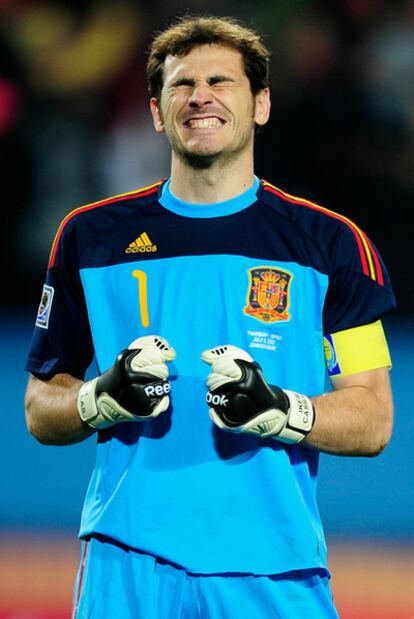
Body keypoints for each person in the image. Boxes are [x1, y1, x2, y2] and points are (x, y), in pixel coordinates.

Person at [24, 14, 396, 619]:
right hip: (127, 566)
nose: (201, 97)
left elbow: (374, 417)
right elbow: (41, 407)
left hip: (276, 570)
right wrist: (100, 399)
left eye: (221, 82)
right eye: (182, 85)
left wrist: (281, 411)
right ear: (155, 111)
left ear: (261, 105)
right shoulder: (88, 238)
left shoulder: (333, 246)